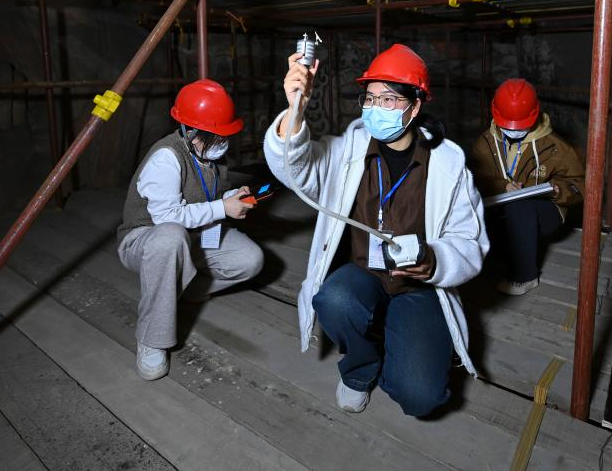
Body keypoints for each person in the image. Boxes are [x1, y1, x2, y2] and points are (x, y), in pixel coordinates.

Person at [263, 44, 489, 417]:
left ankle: (402, 342)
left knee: (420, 397)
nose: (374, 107)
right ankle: (360, 367)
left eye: (388, 99)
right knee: (334, 299)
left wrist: (435, 262)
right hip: (362, 273)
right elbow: (295, 170)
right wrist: (295, 111)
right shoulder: (347, 151)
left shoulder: (449, 169)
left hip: (417, 289)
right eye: (369, 98)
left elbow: (470, 242)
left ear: (414, 106)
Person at [116, 80, 264, 380]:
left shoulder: (210, 155)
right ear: (189, 131)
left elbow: (204, 197)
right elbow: (166, 218)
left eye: (224, 135)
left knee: (250, 260)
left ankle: (189, 289)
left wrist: (230, 198)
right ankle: (152, 338)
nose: (222, 141)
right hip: (146, 239)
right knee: (170, 237)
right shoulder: (166, 158)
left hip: (192, 234)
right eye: (214, 135)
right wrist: (222, 209)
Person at [468, 78, 585, 296]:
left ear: (535, 115)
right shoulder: (486, 142)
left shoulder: (554, 146)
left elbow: (579, 183)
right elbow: (473, 177)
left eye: (521, 125)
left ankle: (525, 275)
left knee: (520, 205)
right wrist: (502, 186)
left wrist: (558, 190)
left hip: (542, 212)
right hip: (499, 209)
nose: (514, 130)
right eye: (507, 125)